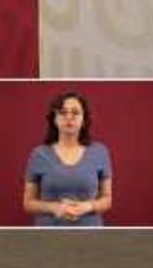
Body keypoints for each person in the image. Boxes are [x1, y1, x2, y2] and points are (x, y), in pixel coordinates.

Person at [22, 92, 113, 227]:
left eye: (75, 113)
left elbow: (107, 199)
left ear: (84, 120)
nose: (69, 117)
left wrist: (87, 206)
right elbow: (28, 203)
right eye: (63, 112)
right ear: (54, 119)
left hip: (90, 233)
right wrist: (55, 208)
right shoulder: (39, 154)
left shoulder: (100, 152)